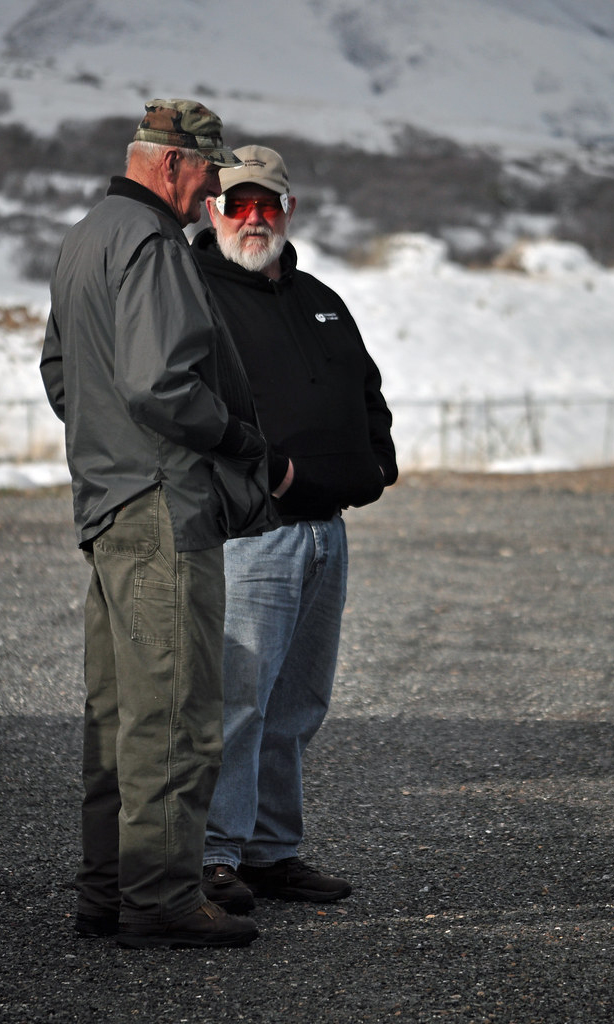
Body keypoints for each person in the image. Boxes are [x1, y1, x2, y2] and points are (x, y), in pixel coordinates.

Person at [40, 101, 279, 949]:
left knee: (116, 715)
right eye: (209, 178)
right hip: (161, 509)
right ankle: (163, 899)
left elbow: (60, 372)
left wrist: (104, 453)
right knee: (175, 711)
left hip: (106, 505)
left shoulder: (82, 238)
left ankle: (108, 891)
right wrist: (238, 437)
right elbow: (160, 385)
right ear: (174, 166)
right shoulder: (150, 243)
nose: (209, 194)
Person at [191, 145, 398, 911]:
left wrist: (377, 464)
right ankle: (215, 856)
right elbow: (192, 417)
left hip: (325, 532)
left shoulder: (321, 297)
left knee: (298, 705)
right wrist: (271, 478)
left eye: (268, 204)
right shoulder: (193, 298)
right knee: (238, 701)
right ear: (212, 210)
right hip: (253, 532)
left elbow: (367, 393)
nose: (254, 219)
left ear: (290, 211)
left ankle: (272, 851)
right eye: (238, 204)